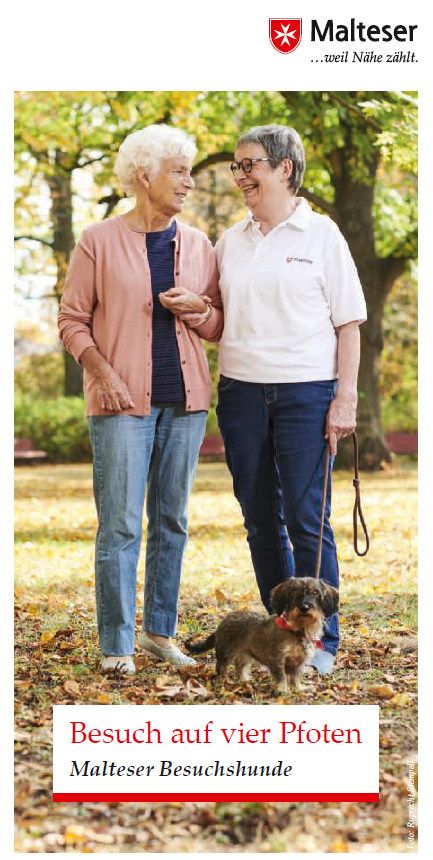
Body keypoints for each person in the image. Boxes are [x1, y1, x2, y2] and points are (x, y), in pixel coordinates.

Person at [58, 124, 223, 674]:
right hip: (120, 402)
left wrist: (199, 310)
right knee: (122, 524)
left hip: (187, 403)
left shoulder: (199, 245)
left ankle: (159, 632)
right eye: (179, 171)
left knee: (171, 520)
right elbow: (72, 320)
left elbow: (218, 323)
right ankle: (116, 644)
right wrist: (100, 372)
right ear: (144, 174)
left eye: (190, 172)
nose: (189, 183)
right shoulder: (97, 240)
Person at [215, 124, 367, 675]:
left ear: (284, 168)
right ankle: (280, 635)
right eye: (236, 166)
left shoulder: (323, 235)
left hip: (307, 392)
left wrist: (344, 397)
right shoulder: (230, 240)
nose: (241, 176)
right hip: (240, 393)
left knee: (308, 518)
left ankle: (321, 644)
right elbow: (217, 317)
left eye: (249, 164)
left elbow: (349, 324)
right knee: (259, 518)